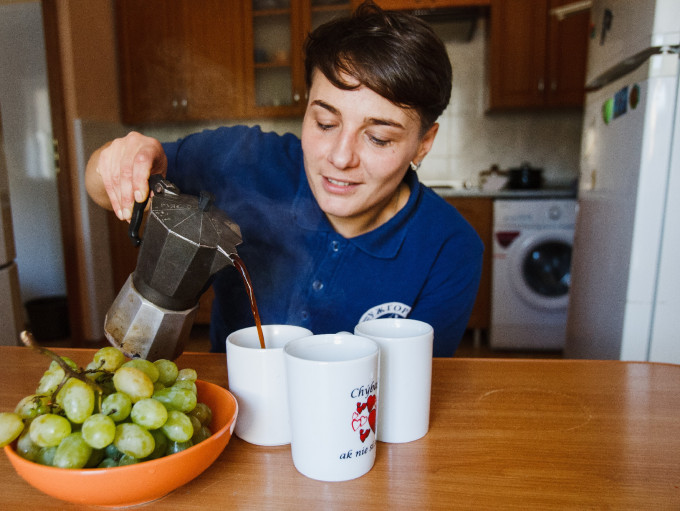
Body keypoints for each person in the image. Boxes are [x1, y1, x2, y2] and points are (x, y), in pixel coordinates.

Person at [85, 1, 482, 357]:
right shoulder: (242, 158)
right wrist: (117, 160)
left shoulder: (451, 249)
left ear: (423, 144)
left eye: (379, 138)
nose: (340, 157)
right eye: (325, 122)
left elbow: (412, 390)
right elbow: (98, 186)